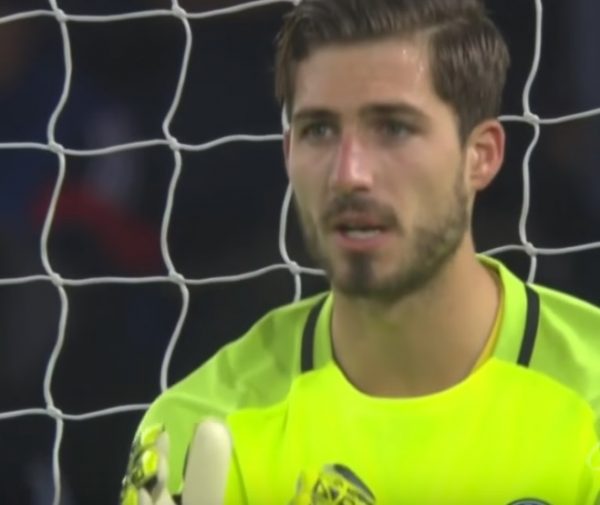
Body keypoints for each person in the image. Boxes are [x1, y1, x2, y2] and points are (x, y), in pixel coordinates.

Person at [120, 0, 600, 503]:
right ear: (288, 153)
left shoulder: (588, 399)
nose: (349, 174)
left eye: (393, 128)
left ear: (481, 156)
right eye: (319, 131)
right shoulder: (203, 433)